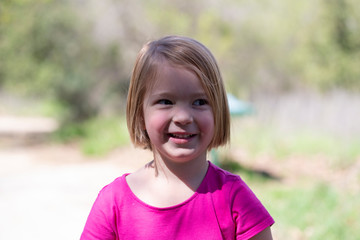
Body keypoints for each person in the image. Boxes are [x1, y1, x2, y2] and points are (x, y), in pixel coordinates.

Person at [80, 36, 274, 240]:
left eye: (199, 102)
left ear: (218, 112)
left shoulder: (234, 198)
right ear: (140, 113)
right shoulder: (114, 203)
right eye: (165, 101)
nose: (183, 117)